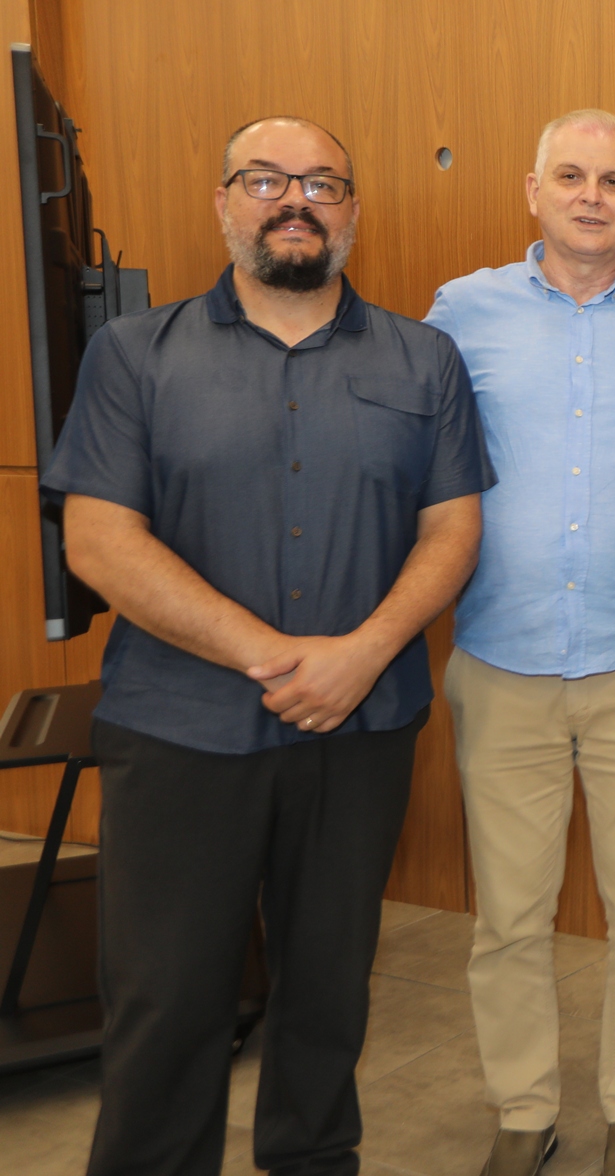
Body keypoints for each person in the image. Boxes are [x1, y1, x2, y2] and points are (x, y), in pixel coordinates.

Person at [45, 116, 492, 1176]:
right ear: (225, 202)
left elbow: (453, 531)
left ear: (351, 210)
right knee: (167, 1000)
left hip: (359, 730)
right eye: (265, 179)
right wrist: (272, 654)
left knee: (329, 997)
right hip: (180, 733)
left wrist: (363, 654)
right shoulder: (134, 354)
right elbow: (99, 539)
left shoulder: (423, 360)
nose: (295, 200)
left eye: (322, 183)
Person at [424, 110, 615, 1176]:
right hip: (502, 660)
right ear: (531, 192)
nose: (592, 197)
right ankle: (524, 1114)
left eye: (613, 182)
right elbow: (413, 454)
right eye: (571, 177)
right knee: (508, 916)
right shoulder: (460, 311)